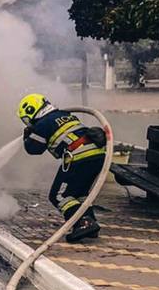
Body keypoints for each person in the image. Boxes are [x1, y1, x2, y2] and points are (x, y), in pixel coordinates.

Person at [18, 93, 108, 242]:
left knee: (58, 196)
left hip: (78, 156)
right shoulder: (65, 114)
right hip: (97, 154)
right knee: (79, 193)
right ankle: (89, 224)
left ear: (30, 113)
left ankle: (82, 223)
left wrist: (27, 136)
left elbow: (34, 149)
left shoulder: (42, 124)